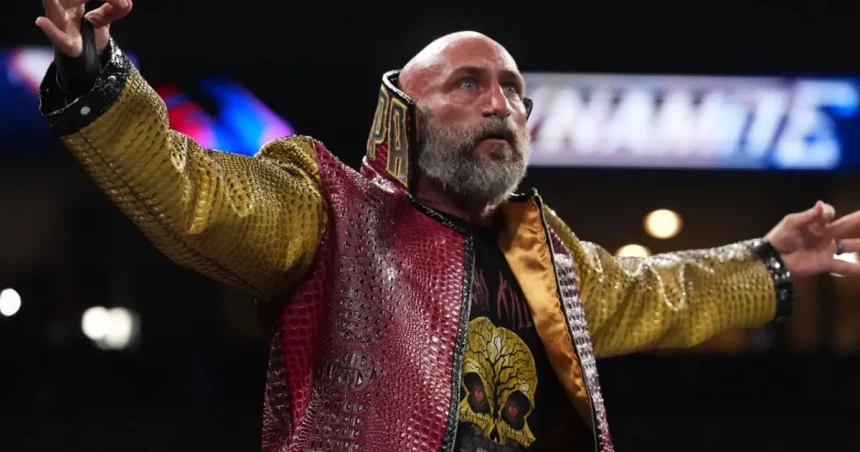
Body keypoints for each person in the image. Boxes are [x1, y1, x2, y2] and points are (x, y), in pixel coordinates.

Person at [34, 1, 860, 451]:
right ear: (403, 112)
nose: (502, 102)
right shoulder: (329, 210)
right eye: (469, 83)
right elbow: (197, 195)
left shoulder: (546, 256)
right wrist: (97, 79)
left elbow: (659, 292)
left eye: (514, 90)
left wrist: (771, 261)